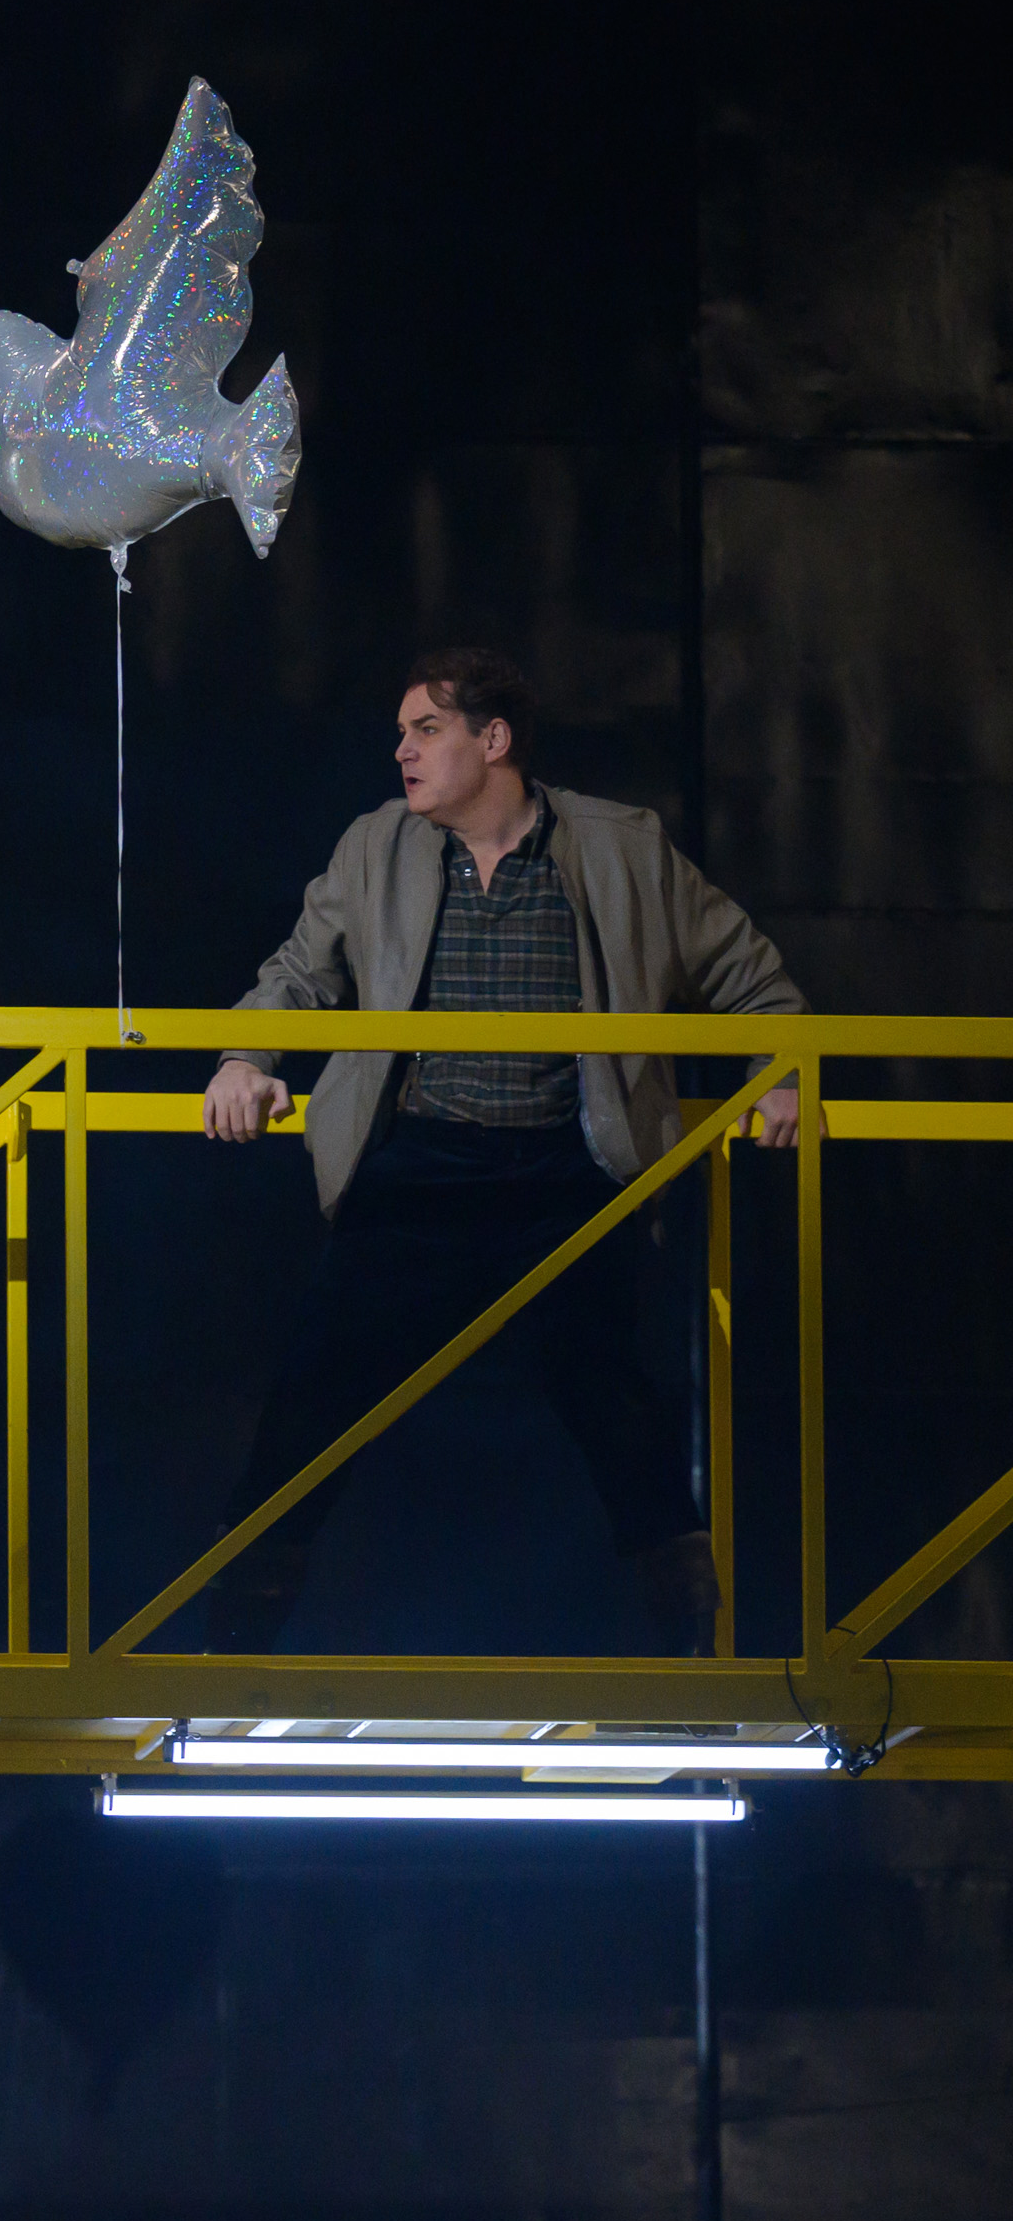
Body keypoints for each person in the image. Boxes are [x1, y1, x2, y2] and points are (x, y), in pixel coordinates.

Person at [200, 648, 804, 1655]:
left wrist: (776, 1072)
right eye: (399, 734)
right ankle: (232, 1647)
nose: (401, 751)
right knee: (317, 1387)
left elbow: (748, 975)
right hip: (423, 1164)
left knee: (616, 1401)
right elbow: (296, 975)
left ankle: (695, 1651)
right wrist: (242, 1059)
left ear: (494, 742)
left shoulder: (621, 848)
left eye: (423, 730)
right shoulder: (373, 847)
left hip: (564, 1173)